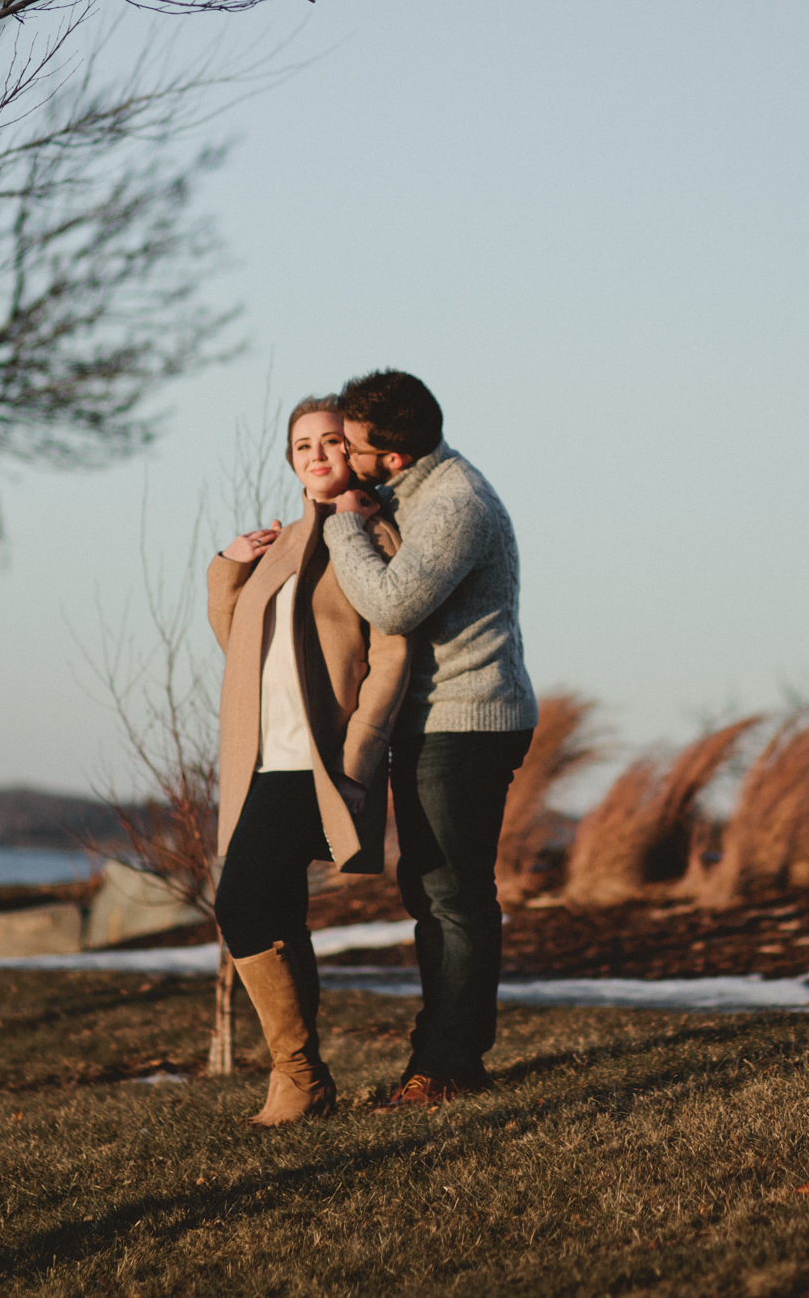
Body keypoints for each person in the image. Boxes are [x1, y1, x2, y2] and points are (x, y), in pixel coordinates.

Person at [321, 369, 536, 1109]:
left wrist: (342, 523)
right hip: (435, 721)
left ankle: (447, 1066)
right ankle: (445, 1060)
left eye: (352, 445)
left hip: (467, 719)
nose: (342, 456)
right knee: (433, 894)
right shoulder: (411, 493)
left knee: (454, 898)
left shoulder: (455, 503)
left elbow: (392, 601)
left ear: (396, 455)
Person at [206, 398, 407, 1125]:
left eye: (330, 442)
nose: (317, 454)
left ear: (354, 453)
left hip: (315, 759)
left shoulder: (372, 533)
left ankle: (299, 1074)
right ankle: (305, 1083)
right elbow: (241, 647)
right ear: (290, 460)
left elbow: (392, 654)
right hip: (262, 754)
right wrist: (229, 568)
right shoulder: (284, 542)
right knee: (277, 908)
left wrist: (358, 758)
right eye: (302, 445)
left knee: (241, 904)